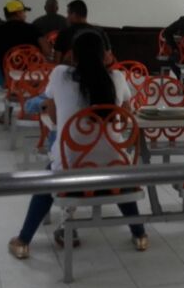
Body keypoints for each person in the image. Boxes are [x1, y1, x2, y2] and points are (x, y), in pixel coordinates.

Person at [8, 32, 148, 259]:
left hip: (72, 174)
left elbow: (54, 120)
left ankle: (23, 241)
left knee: (47, 178)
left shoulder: (60, 75)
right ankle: (140, 235)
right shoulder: (118, 78)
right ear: (105, 55)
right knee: (117, 169)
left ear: (73, 55)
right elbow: (126, 116)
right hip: (115, 170)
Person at [0, 0, 50, 121]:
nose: (25, 15)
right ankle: (25, 95)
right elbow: (47, 52)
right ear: (18, 13)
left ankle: (11, 88)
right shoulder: (33, 29)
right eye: (24, 12)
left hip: (9, 77)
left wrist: (5, 61)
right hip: (35, 77)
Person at [53, 0, 112, 65]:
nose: (67, 18)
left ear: (73, 15)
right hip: (96, 70)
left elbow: (56, 61)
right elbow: (108, 58)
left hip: (72, 70)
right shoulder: (100, 31)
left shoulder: (64, 33)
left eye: (68, 14)